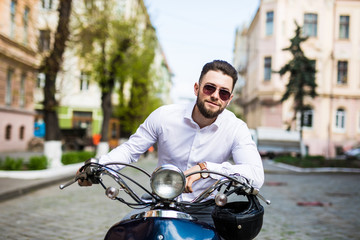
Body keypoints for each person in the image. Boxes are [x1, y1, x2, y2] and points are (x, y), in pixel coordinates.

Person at [79, 60, 264, 225]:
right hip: (158, 201)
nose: (216, 95)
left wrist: (207, 170)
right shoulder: (164, 116)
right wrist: (97, 166)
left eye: (223, 93)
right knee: (122, 233)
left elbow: (256, 175)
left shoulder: (236, 128)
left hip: (205, 207)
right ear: (196, 88)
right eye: (209, 88)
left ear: (229, 99)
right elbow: (130, 150)